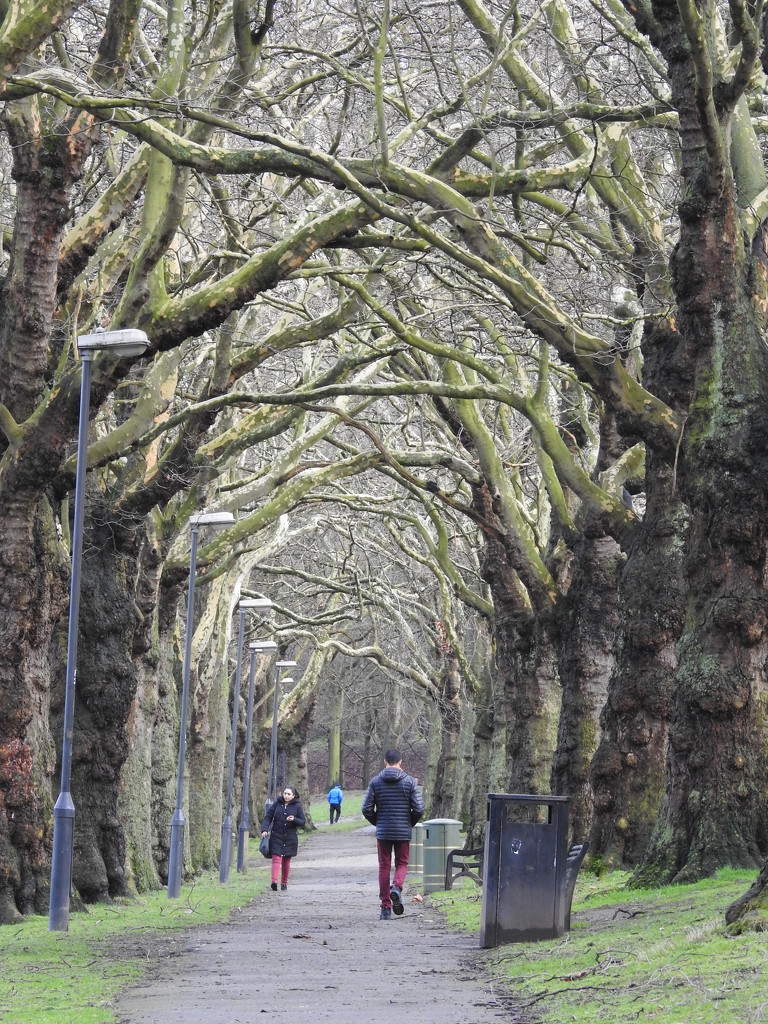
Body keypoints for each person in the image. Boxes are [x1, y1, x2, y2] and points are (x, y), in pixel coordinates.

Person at [362, 749, 424, 919]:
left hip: (383, 832)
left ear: (385, 762)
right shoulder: (410, 782)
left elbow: (366, 808)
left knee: (384, 867)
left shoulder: (375, 782)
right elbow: (419, 808)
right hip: (403, 831)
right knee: (402, 864)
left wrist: (378, 822)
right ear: (400, 762)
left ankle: (385, 907)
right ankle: (396, 888)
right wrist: (409, 822)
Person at [261, 786, 306, 891]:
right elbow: (268, 817)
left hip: (290, 837)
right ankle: (274, 882)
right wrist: (264, 829)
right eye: (285, 793)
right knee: (276, 858)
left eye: (288, 794)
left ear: (293, 796)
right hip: (276, 835)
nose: (286, 796)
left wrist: (294, 819)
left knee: (286, 861)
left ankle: (284, 882)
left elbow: (302, 822)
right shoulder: (277, 804)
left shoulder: (297, 807)